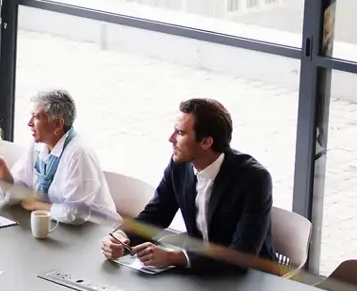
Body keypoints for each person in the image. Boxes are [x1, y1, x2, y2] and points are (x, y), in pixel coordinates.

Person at [100, 98, 276, 274]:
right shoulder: (180, 165)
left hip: (251, 277)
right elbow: (155, 215)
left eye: (180, 133)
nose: (171, 139)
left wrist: (173, 257)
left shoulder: (254, 178)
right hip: (201, 269)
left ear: (206, 142)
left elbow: (241, 256)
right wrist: (121, 236)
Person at [0, 88, 117, 224]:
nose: (29, 123)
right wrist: (0, 164)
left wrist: (37, 205)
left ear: (58, 124)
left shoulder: (79, 154)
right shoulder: (38, 145)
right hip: (58, 225)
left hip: (97, 233)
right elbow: (18, 191)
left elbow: (76, 213)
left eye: (36, 117)